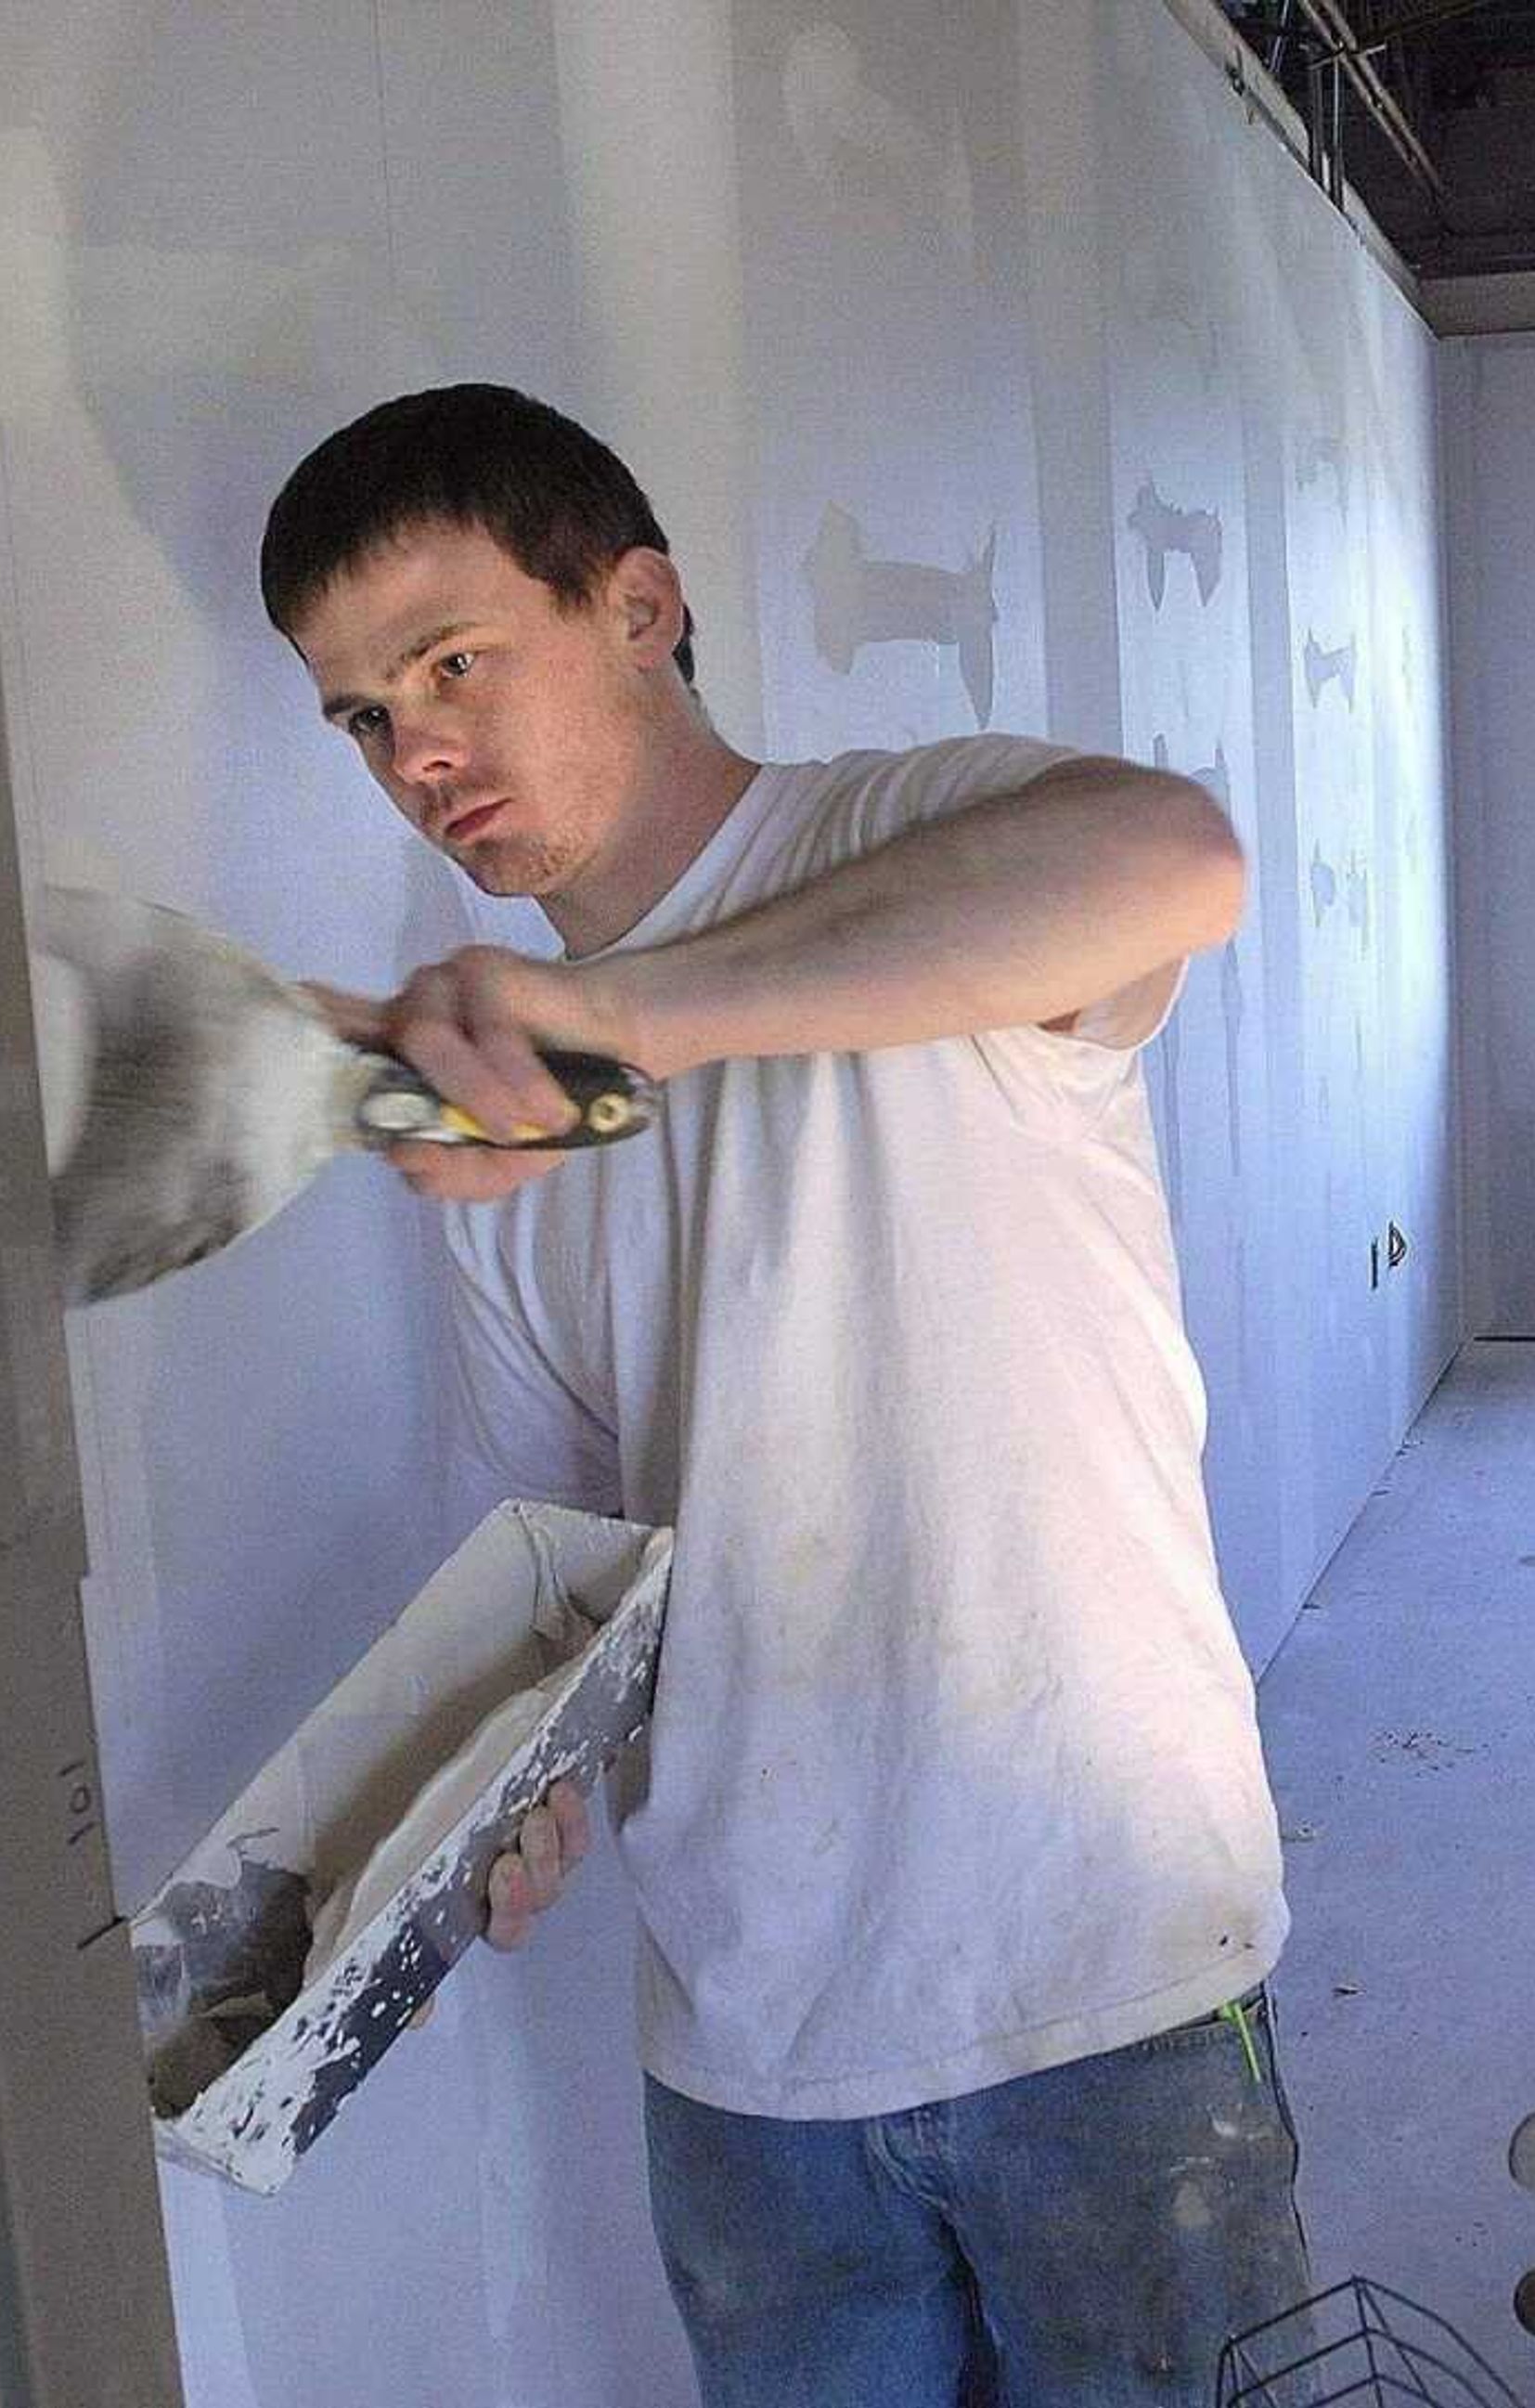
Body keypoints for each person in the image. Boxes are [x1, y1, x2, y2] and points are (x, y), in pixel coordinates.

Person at [260, 383, 1307, 2403]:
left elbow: (1175, 857)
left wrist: (616, 1017)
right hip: (746, 2052)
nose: (418, 754)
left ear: (639, 606)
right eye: (363, 716)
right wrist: (509, 1779)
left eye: (452, 660)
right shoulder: (480, 1105)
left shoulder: (907, 840)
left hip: (1100, 1981)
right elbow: (571, 1554)